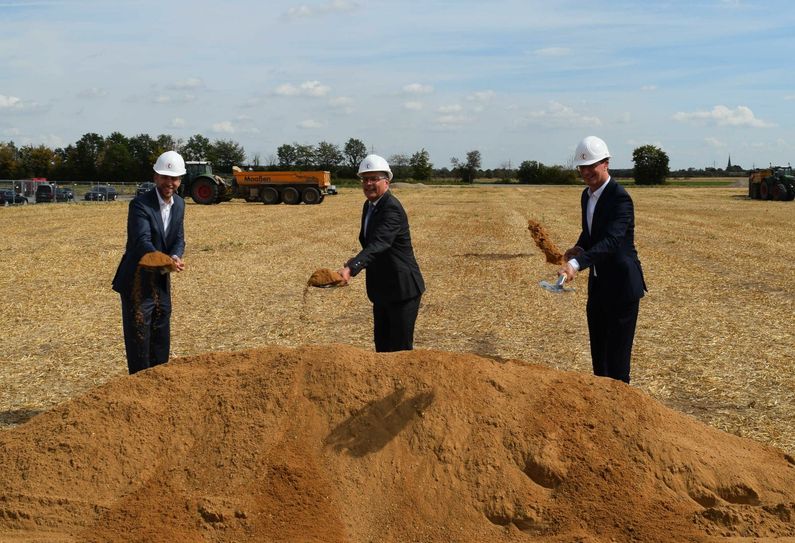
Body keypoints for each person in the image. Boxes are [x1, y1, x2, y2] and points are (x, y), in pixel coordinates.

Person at [558, 136, 646, 383]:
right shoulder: (586, 196)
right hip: (598, 289)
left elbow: (611, 241)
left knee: (617, 367)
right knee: (600, 362)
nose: (586, 172)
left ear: (606, 163)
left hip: (621, 289)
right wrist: (578, 247)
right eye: (581, 167)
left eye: (592, 166)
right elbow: (591, 233)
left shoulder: (620, 198)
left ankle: (621, 416)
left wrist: (576, 264)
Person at [338, 154, 425, 352]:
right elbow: (371, 244)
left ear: (386, 181)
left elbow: (380, 243)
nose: (368, 184)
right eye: (365, 179)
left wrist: (352, 268)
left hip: (402, 290)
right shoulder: (369, 206)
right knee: (382, 349)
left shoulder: (391, 207)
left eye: (374, 178)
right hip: (382, 290)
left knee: (399, 352)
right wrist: (357, 259)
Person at [112, 150, 187, 374]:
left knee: (161, 334)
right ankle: (138, 389)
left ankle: (159, 385)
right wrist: (167, 261)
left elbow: (179, 238)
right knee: (139, 340)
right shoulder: (139, 205)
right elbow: (142, 242)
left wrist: (175, 256)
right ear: (155, 177)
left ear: (180, 180)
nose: (169, 183)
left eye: (174, 178)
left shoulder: (180, 204)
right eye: (165, 177)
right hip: (137, 280)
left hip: (161, 279)